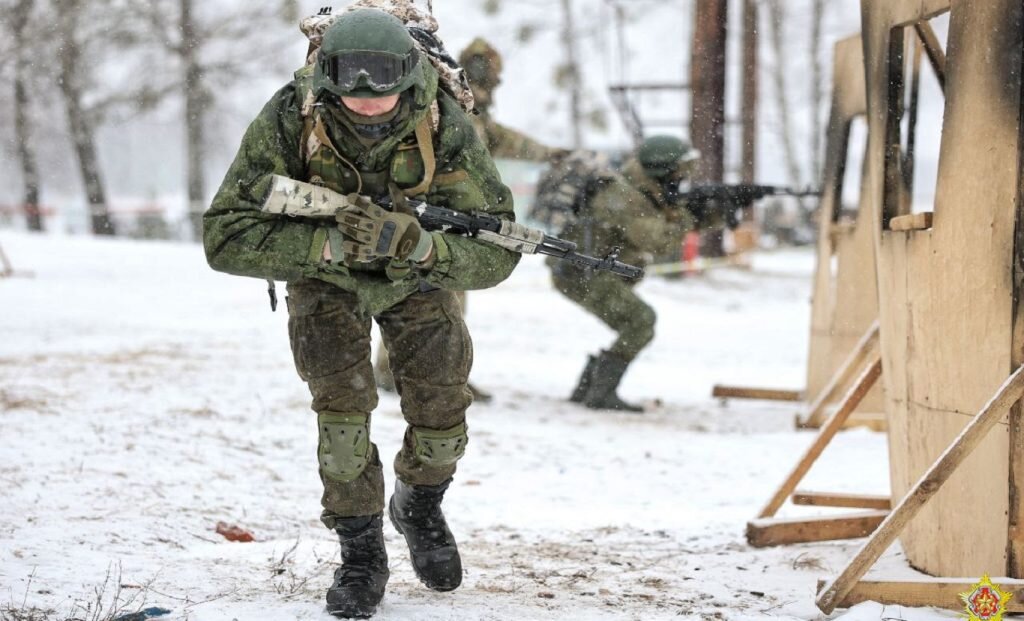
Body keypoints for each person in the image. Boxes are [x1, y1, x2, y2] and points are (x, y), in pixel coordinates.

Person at [203, 9, 519, 618]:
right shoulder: (289, 115)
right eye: (351, 90)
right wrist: (329, 246)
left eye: (385, 88)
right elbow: (224, 236)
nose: (368, 103)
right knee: (342, 430)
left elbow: (499, 254)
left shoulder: (444, 120)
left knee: (442, 425)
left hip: (418, 281)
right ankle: (361, 552)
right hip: (325, 282)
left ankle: (419, 506)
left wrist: (422, 245)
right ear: (326, 80)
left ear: (409, 75)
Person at [373, 36, 563, 400]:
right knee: (438, 297)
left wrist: (549, 152)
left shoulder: (460, 102)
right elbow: (479, 146)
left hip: (444, 214)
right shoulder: (453, 102)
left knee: (431, 294)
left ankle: (404, 368)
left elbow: (499, 139)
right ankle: (429, 372)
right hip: (433, 212)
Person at [548, 135, 699, 412]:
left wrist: (708, 210)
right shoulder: (624, 196)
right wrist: (689, 215)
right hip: (581, 273)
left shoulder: (640, 188)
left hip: (585, 269)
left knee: (633, 322)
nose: (683, 179)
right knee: (640, 321)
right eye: (679, 172)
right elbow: (659, 242)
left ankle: (588, 387)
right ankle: (599, 393)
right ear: (663, 170)